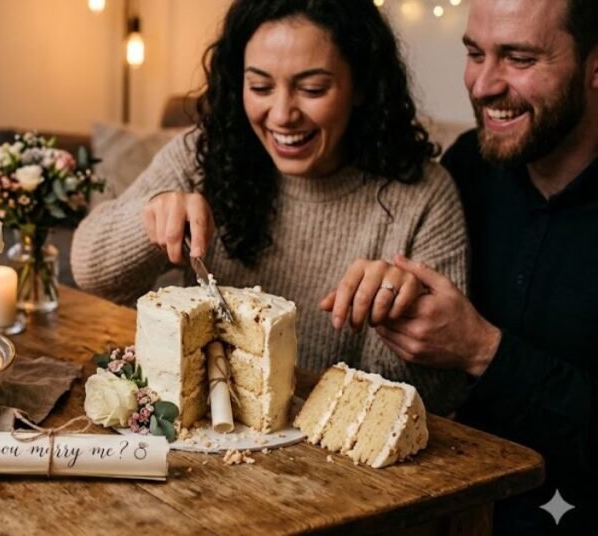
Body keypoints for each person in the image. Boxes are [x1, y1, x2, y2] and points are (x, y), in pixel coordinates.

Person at [71, 0, 469, 415]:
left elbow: (430, 401)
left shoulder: (423, 196)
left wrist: (398, 314)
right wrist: (151, 219)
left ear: (362, 86)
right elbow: (90, 272)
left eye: (312, 89)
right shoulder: (204, 154)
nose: (282, 115)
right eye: (260, 88)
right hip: (203, 428)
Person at [354, 0, 598, 533]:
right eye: (475, 53)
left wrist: (483, 350)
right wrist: (395, 296)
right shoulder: (466, 166)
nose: (483, 85)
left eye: (520, 58)